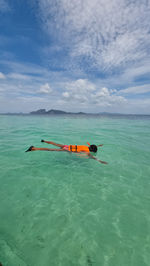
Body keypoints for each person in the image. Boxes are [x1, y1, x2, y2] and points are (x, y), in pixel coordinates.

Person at [25, 140, 108, 164]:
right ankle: (34, 149)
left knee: (55, 144)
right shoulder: (87, 151)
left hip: (67, 146)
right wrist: (100, 161)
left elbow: (92, 146)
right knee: (50, 149)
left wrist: (99, 145)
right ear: (92, 150)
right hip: (67, 149)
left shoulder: (86, 147)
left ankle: (44, 141)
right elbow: (92, 157)